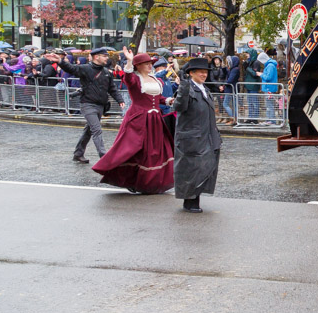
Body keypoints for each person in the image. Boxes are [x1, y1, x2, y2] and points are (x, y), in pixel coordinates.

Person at [90, 48, 175, 194]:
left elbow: (158, 98)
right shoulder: (135, 79)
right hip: (139, 119)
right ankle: (137, 180)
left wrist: (169, 100)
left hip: (155, 119)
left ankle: (154, 181)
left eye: (151, 63)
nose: (150, 66)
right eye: (146, 63)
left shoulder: (156, 79)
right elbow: (127, 78)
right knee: (137, 149)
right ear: (138, 66)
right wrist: (129, 60)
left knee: (157, 150)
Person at [45, 48, 124, 163]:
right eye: (104, 56)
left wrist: (120, 100)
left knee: (89, 130)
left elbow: (112, 89)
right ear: (96, 57)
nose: (107, 58)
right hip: (88, 104)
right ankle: (104, 156)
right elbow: (71, 68)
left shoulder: (106, 72)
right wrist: (60, 61)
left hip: (100, 106)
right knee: (97, 130)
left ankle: (78, 153)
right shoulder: (85, 68)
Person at [171, 57, 221, 213]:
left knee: (204, 168)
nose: (204, 74)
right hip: (192, 137)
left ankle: (194, 199)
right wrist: (184, 85)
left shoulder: (204, 89)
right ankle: (190, 201)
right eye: (200, 72)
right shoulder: (187, 87)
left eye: (205, 72)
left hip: (207, 135)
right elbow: (179, 106)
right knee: (192, 169)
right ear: (191, 73)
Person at [258, 51, 280, 125]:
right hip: (269, 88)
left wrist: (261, 74)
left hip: (269, 88)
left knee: (269, 105)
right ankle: (269, 120)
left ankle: (271, 120)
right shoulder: (270, 65)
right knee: (269, 105)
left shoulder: (270, 66)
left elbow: (268, 77)